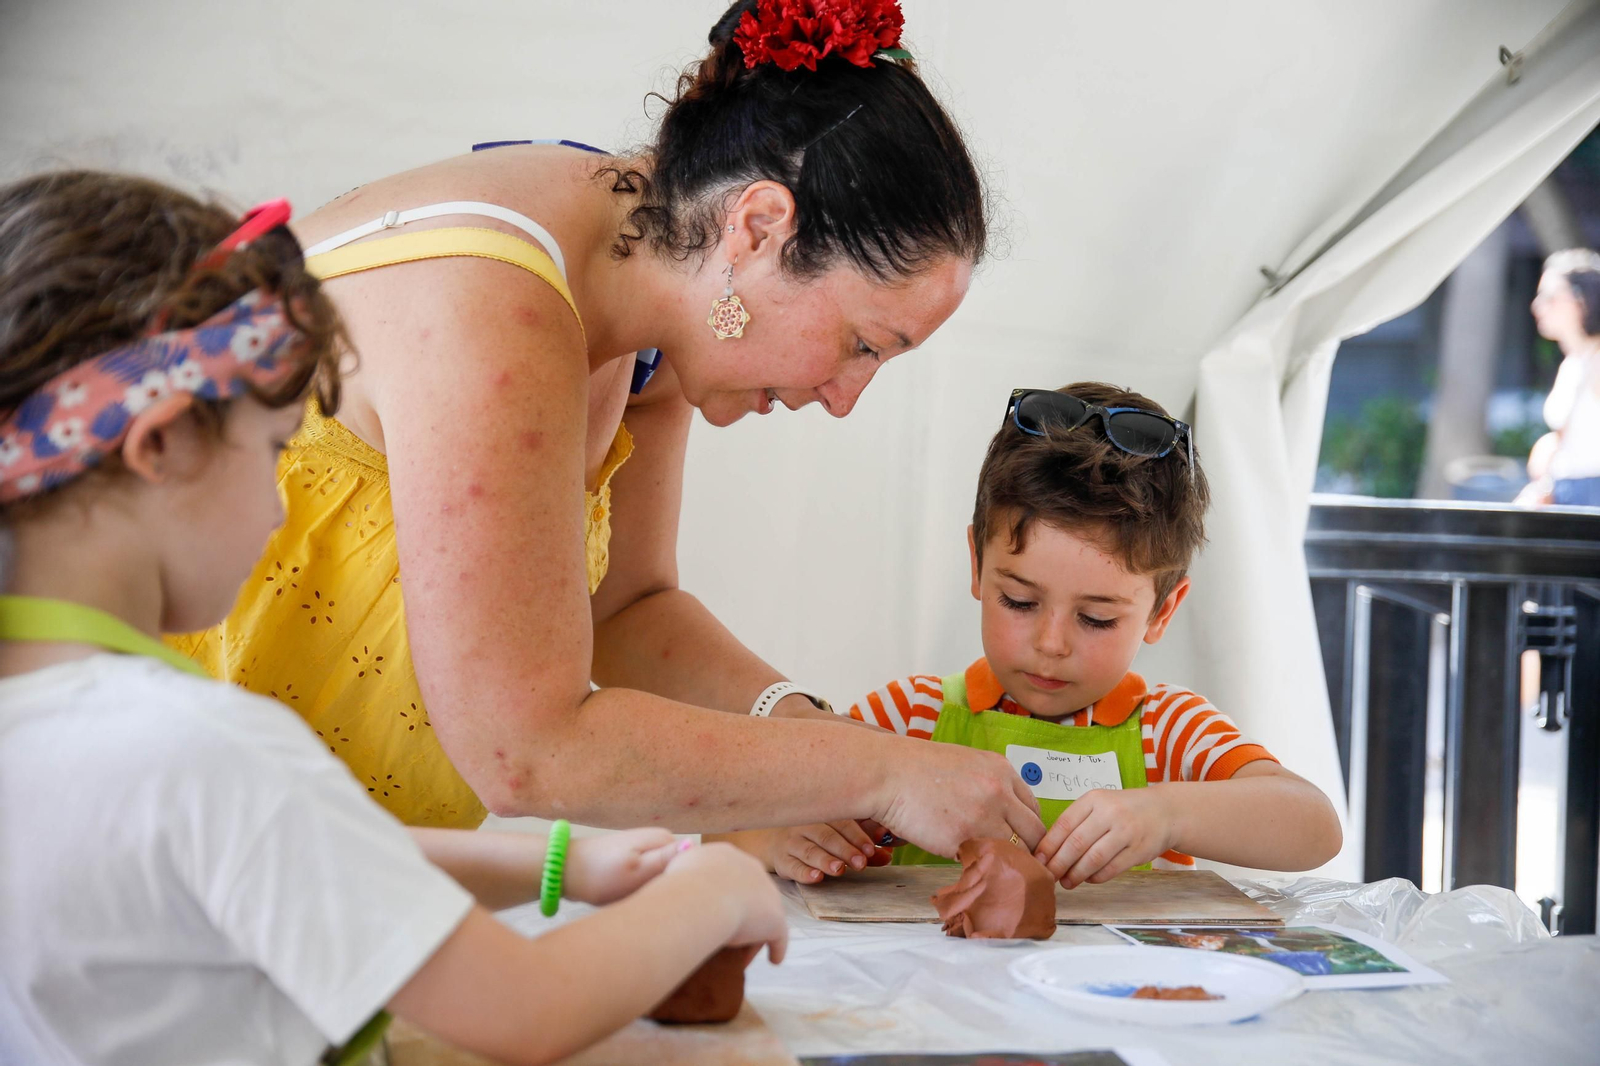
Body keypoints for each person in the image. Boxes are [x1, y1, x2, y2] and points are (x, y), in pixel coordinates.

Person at [170, 0, 1043, 857]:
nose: (846, 396)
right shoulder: (492, 304)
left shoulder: (646, 304)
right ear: (760, 226)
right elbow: (526, 749)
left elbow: (626, 610)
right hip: (160, 849)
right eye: (863, 344)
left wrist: (809, 738)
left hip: (308, 865)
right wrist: (874, 771)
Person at [0, 170, 787, 1066]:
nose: (274, 507)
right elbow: (529, 1008)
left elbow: (292, 854)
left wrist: (561, 867)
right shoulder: (204, 749)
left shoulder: (62, 724)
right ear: (161, 444)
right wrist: (720, 888)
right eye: (270, 449)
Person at [720, 383, 1343, 886]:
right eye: (1019, 600)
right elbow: (724, 824)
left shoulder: (1169, 733)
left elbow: (1315, 827)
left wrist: (1168, 814)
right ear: (976, 566)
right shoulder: (910, 718)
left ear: (1162, 609)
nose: (1051, 642)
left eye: (1096, 617)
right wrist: (775, 840)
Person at [1521, 248, 1600, 507]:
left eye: (1550, 297)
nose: (1537, 307)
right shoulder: (1574, 361)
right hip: (1569, 492)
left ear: (1582, 300)